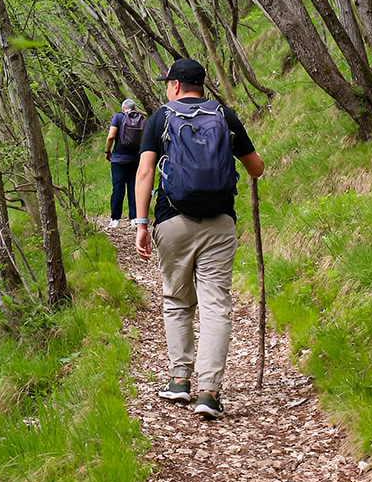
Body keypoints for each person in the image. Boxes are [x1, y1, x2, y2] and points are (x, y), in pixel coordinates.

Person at [134, 58, 265, 418]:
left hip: (172, 221)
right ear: (201, 86)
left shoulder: (160, 117)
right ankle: (209, 392)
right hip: (220, 223)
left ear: (175, 85)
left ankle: (179, 382)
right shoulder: (225, 115)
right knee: (215, 305)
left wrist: (141, 224)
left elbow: (145, 171)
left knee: (177, 300)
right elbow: (256, 167)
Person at [105, 98, 142, 229]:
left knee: (118, 189)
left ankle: (115, 219)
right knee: (133, 188)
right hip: (135, 159)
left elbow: (111, 136)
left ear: (123, 108)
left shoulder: (118, 117)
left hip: (119, 160)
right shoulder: (141, 118)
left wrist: (107, 151)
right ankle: (134, 218)